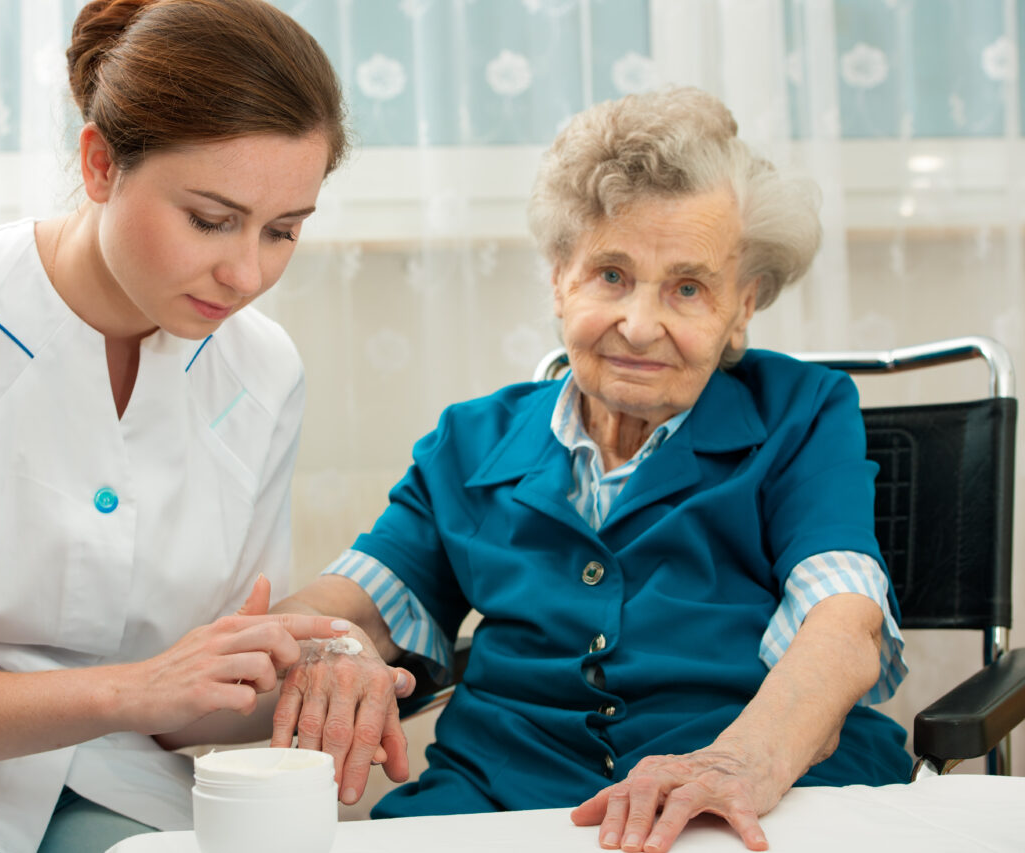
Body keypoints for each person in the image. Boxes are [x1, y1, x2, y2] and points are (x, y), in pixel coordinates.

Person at [0, 2, 401, 851]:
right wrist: (137, 690)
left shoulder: (263, 371)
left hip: (119, 775)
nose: (246, 272)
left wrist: (334, 670)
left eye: (283, 231)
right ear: (100, 163)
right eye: (210, 219)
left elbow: (189, 703)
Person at [268, 86, 912, 853]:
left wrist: (739, 761)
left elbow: (842, 624)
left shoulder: (802, 413)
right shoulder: (471, 442)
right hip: (500, 802)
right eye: (611, 274)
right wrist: (329, 645)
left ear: (742, 309)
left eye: (687, 287)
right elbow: (354, 607)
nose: (640, 325)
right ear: (558, 277)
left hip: (742, 797)